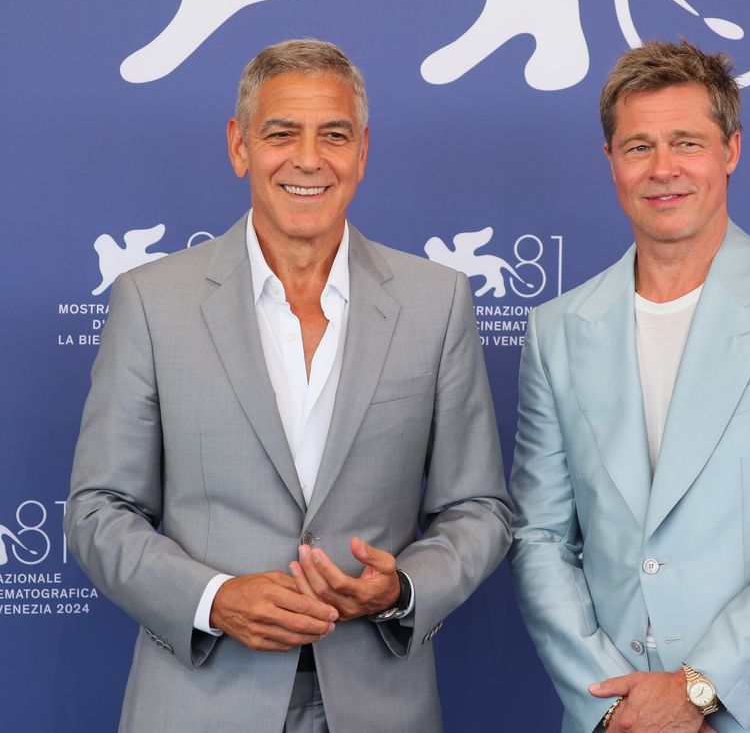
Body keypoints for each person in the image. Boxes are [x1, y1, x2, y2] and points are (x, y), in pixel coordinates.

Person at [65, 38, 512, 733]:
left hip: (380, 704)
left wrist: (401, 588)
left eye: (333, 135)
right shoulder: (152, 301)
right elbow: (99, 509)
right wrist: (213, 597)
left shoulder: (438, 301)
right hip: (199, 702)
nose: (308, 159)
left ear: (362, 151)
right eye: (281, 134)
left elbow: (480, 508)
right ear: (240, 146)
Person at [508, 39, 750, 733]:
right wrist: (613, 703)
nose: (663, 169)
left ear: (730, 150)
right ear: (610, 162)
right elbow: (540, 542)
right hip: (617, 718)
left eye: (686, 142)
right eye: (638, 147)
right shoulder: (557, 329)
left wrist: (700, 687)